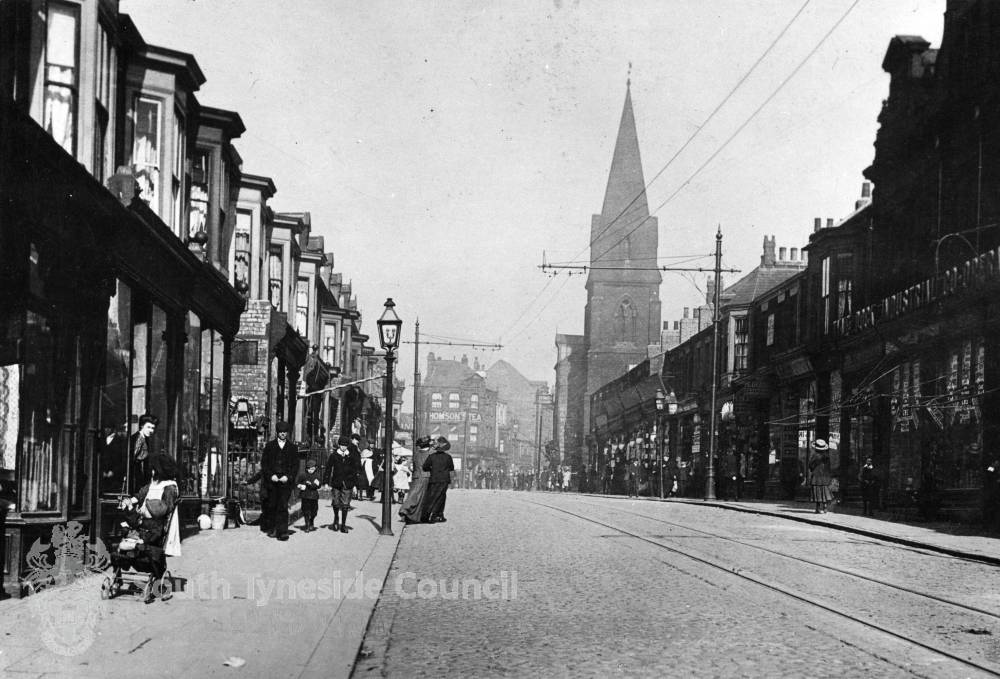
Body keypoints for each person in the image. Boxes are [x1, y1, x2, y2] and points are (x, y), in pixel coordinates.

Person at [122, 453, 178, 589]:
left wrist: (148, 510)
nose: (152, 472)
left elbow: (166, 508)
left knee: (147, 542)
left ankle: (155, 571)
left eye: (154, 470)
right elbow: (140, 495)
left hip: (156, 524)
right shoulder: (151, 485)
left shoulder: (169, 487)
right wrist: (130, 502)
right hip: (143, 521)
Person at [261, 421, 298, 541]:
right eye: (281, 432)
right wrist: (271, 475)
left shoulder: (292, 448)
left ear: (287, 433)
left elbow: (295, 466)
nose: (283, 434)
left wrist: (288, 477)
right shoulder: (270, 446)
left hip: (285, 482)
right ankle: (273, 528)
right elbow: (264, 464)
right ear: (277, 433)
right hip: (272, 481)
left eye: (285, 432)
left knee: (282, 505)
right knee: (272, 505)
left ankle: (282, 531)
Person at [325, 435, 361, 533]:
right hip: (336, 482)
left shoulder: (351, 456)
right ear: (339, 445)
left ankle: (343, 525)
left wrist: (355, 485)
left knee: (345, 504)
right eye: (341, 445)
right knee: (336, 503)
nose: (343, 447)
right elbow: (328, 469)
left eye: (345, 446)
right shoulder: (334, 455)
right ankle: (336, 519)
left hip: (348, 483)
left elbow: (355, 471)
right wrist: (326, 482)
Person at [399, 437, 433, 523]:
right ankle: (406, 511)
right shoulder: (429, 455)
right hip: (426, 476)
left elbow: (411, 467)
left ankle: (409, 513)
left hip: (416, 476)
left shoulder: (416, 455)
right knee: (421, 497)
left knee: (413, 494)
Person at [422, 437, 455, 523]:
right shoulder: (448, 457)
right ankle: (436, 515)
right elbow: (451, 468)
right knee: (441, 496)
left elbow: (425, 467)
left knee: (432, 496)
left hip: (434, 479)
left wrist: (432, 469)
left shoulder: (431, 457)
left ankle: (429, 515)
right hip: (444, 480)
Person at [129, 414, 159, 495]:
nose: (151, 430)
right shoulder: (139, 439)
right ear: (142, 426)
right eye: (148, 427)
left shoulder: (143, 438)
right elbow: (133, 458)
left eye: (153, 428)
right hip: (136, 475)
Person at [296, 459, 322, 532]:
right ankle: (307, 525)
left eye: (312, 469)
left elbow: (319, 485)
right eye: (309, 469)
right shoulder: (303, 475)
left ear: (315, 468)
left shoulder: (317, 475)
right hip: (305, 495)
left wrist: (312, 484)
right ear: (307, 468)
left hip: (314, 496)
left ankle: (311, 521)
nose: (311, 470)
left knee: (314, 511)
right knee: (305, 510)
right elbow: (297, 483)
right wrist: (300, 486)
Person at [808, 439, 833, 514]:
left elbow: (810, 465)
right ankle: (825, 507)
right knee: (825, 491)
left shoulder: (814, 456)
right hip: (825, 476)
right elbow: (829, 466)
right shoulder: (826, 456)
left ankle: (818, 508)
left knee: (817, 491)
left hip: (816, 476)